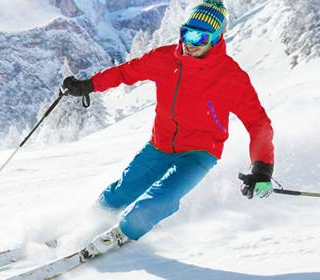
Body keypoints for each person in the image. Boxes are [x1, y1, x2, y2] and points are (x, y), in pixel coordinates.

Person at [61, 0, 275, 258]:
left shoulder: (230, 76)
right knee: (123, 190)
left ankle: (123, 233)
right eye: (186, 33)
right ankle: (88, 223)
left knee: (161, 198)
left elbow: (258, 123)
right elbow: (126, 73)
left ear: (215, 38)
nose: (189, 43)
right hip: (159, 144)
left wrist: (262, 167)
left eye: (199, 37)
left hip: (199, 153)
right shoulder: (165, 58)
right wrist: (89, 85)